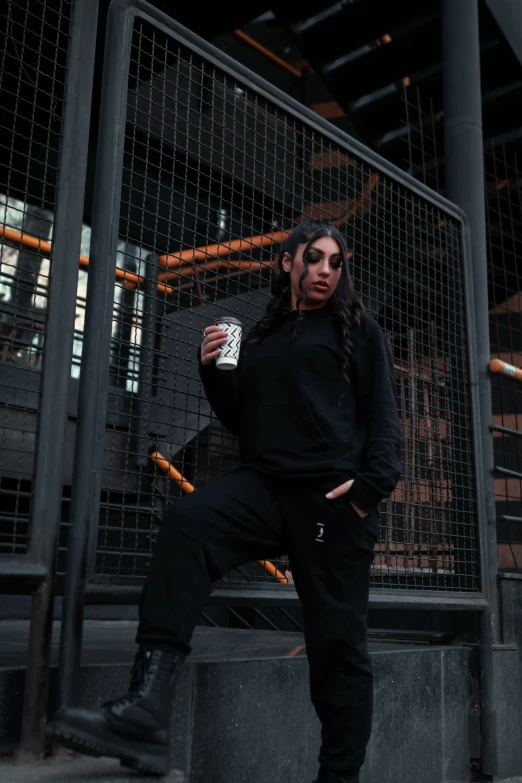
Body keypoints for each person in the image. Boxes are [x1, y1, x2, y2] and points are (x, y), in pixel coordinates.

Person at [47, 220, 404, 782]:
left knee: (338, 653)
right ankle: (148, 711)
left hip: (330, 500)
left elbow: (384, 419)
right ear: (287, 261)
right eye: (314, 258)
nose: (326, 272)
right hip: (264, 483)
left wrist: (369, 488)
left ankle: (339, 778)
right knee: (188, 521)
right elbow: (242, 420)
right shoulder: (262, 334)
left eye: (336, 263)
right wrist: (212, 370)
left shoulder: (357, 329)